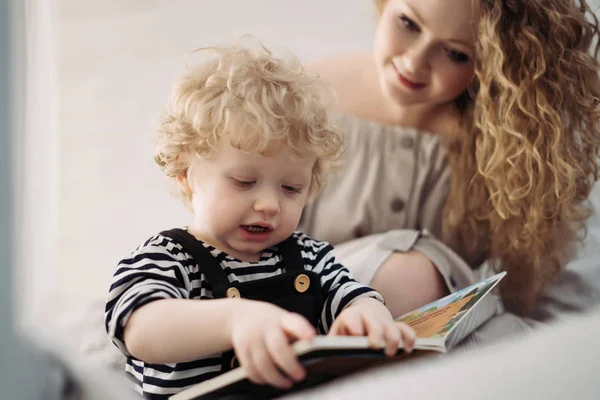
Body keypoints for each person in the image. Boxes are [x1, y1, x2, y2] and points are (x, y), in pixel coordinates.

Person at [104, 42, 416, 399]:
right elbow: (141, 330)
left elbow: (348, 293)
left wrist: (366, 314)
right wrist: (235, 319)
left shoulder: (308, 257)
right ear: (186, 173)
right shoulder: (167, 258)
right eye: (244, 182)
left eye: (290, 188)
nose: (269, 204)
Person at [299, 0, 600, 344]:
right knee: (410, 277)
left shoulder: (518, 143)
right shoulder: (311, 96)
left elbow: (558, 297)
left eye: (457, 54)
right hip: (304, 307)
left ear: (495, 62)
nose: (413, 62)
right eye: (408, 23)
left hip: (429, 338)